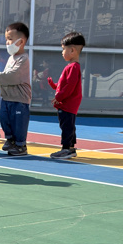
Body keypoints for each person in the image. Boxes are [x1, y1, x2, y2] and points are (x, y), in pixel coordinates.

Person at [0, 21, 31, 157]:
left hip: (19, 99)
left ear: (21, 42)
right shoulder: (11, 58)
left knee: (18, 123)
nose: (7, 43)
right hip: (7, 97)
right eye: (7, 39)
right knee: (5, 119)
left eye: (10, 39)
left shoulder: (23, 58)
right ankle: (10, 140)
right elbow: (7, 77)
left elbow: (13, 76)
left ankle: (20, 145)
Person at [47, 31, 85, 160]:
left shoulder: (73, 67)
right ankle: (71, 148)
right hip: (68, 104)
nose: (62, 52)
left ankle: (66, 149)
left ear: (72, 50)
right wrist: (53, 85)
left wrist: (58, 97)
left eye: (64, 49)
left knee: (66, 126)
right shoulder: (72, 67)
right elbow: (63, 85)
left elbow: (69, 87)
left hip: (67, 104)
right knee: (69, 125)